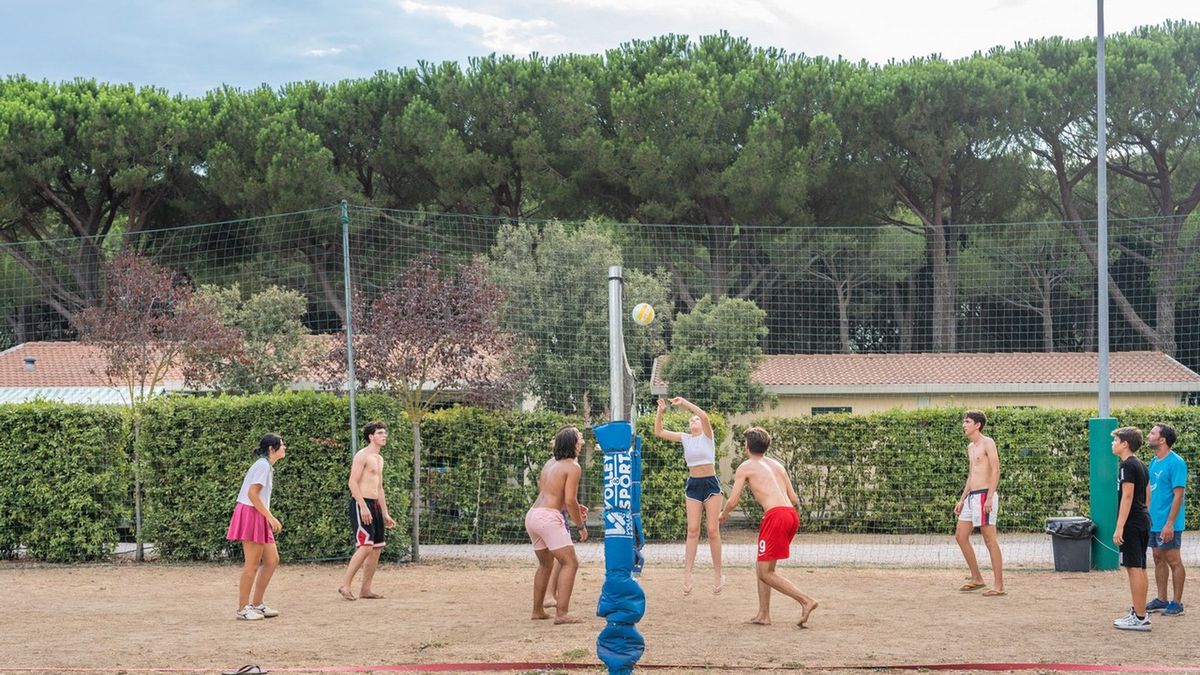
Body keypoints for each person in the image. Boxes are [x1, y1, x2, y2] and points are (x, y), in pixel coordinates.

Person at [718, 427, 818, 627]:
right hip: (790, 515)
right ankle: (764, 615)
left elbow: (733, 501)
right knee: (763, 566)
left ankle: (806, 600)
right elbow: (793, 498)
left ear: (746, 446)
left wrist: (723, 515)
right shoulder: (777, 465)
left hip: (776, 517)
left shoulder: (746, 467)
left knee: (765, 573)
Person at [654, 396, 724, 595]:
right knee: (692, 530)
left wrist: (684, 403)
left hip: (711, 484)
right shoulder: (685, 438)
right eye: (691, 420)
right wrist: (660, 411)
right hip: (693, 485)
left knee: (712, 530)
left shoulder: (708, 436)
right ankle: (687, 575)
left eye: (696, 419)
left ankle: (718, 574)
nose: (694, 420)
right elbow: (659, 432)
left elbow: (704, 415)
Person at [526, 425, 589, 624]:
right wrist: (581, 525)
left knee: (545, 564)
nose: (582, 440)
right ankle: (562, 614)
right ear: (573, 443)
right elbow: (569, 500)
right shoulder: (573, 466)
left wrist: (576, 507)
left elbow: (551, 494)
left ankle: (537, 611)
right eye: (579, 437)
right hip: (548, 518)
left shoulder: (550, 463)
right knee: (570, 562)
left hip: (533, 515)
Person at [225, 433, 287, 621]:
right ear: (271, 449)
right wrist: (270, 517)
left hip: (257, 513)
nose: (285, 447)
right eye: (282, 445)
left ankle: (257, 604)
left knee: (272, 560)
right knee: (251, 565)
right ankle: (242, 609)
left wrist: (266, 516)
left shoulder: (265, 466)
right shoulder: (262, 466)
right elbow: (253, 494)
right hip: (251, 513)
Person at [339, 421, 396, 601]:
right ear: (371, 436)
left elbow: (379, 488)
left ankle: (366, 589)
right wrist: (363, 506)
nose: (384, 436)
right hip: (361, 504)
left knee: (376, 548)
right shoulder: (362, 456)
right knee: (365, 546)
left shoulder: (379, 459)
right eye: (380, 433)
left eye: (384, 433)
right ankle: (345, 585)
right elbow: (352, 482)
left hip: (375, 505)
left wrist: (385, 513)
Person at [954, 410, 1005, 596]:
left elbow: (996, 470)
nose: (964, 425)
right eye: (964, 421)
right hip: (971, 497)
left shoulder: (988, 442)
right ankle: (977, 578)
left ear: (977, 425)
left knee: (989, 540)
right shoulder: (970, 447)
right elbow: (971, 475)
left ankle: (999, 586)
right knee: (960, 536)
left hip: (984, 495)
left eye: (967, 422)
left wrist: (990, 497)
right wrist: (962, 499)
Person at [1111, 426, 1152, 630]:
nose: (1113, 444)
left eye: (1115, 440)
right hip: (1142, 519)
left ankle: (1140, 617)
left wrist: (1119, 527)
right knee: (1140, 567)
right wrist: (1144, 513)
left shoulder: (1127, 465)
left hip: (1133, 522)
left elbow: (1127, 496)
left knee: (1134, 568)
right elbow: (1147, 494)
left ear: (1125, 444)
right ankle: (1138, 611)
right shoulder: (1141, 465)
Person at [1145, 423, 1187, 616]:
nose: (1149, 435)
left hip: (1169, 523)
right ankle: (1162, 599)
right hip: (1154, 522)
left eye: (1152, 433)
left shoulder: (1176, 462)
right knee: (1157, 558)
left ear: (1162, 439)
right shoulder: (1154, 462)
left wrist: (1169, 523)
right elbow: (1150, 493)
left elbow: (1178, 495)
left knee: (1173, 560)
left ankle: (1177, 604)